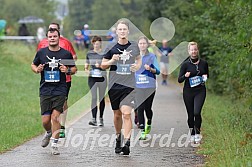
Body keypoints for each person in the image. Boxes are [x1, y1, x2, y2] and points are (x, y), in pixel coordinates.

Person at [31, 28, 77, 155]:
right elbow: (33, 65)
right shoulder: (41, 53)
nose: (52, 38)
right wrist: (37, 69)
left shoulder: (65, 54)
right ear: (47, 38)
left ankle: (54, 145)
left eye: (54, 36)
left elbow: (74, 69)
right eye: (50, 36)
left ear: (58, 37)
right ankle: (49, 132)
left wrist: (66, 70)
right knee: (45, 121)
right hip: (45, 89)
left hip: (60, 89)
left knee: (55, 117)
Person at [101, 19, 141, 155]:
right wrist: (112, 60)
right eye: (120, 29)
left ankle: (128, 142)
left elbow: (138, 58)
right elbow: (102, 65)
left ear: (128, 31)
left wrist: (138, 66)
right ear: (116, 32)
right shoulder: (110, 47)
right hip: (114, 86)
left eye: (125, 29)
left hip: (129, 86)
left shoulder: (134, 46)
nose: (122, 31)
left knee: (126, 113)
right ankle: (118, 137)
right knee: (117, 115)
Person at [178, 41, 209, 144]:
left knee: (197, 112)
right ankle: (192, 133)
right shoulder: (185, 64)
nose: (194, 52)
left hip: (200, 91)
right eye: (192, 50)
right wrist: (185, 76)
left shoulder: (204, 63)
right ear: (189, 51)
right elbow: (179, 79)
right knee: (190, 115)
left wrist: (204, 78)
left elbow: (206, 74)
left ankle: (198, 133)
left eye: (195, 49)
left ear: (198, 50)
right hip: (188, 92)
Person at [135, 36, 160, 140]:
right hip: (138, 85)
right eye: (140, 44)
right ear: (138, 45)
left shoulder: (152, 57)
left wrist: (150, 69)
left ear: (147, 45)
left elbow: (158, 71)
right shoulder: (135, 57)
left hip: (150, 86)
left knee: (147, 108)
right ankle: (142, 130)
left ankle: (149, 121)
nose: (142, 45)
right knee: (139, 107)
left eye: (144, 43)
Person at [85, 36, 107, 127]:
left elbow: (107, 65)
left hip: (102, 77)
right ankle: (93, 119)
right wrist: (87, 71)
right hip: (92, 78)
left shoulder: (104, 53)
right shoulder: (89, 53)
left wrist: (101, 65)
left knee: (101, 98)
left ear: (100, 43)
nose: (96, 45)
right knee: (94, 97)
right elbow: (86, 66)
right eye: (95, 43)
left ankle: (101, 118)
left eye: (98, 43)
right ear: (93, 43)